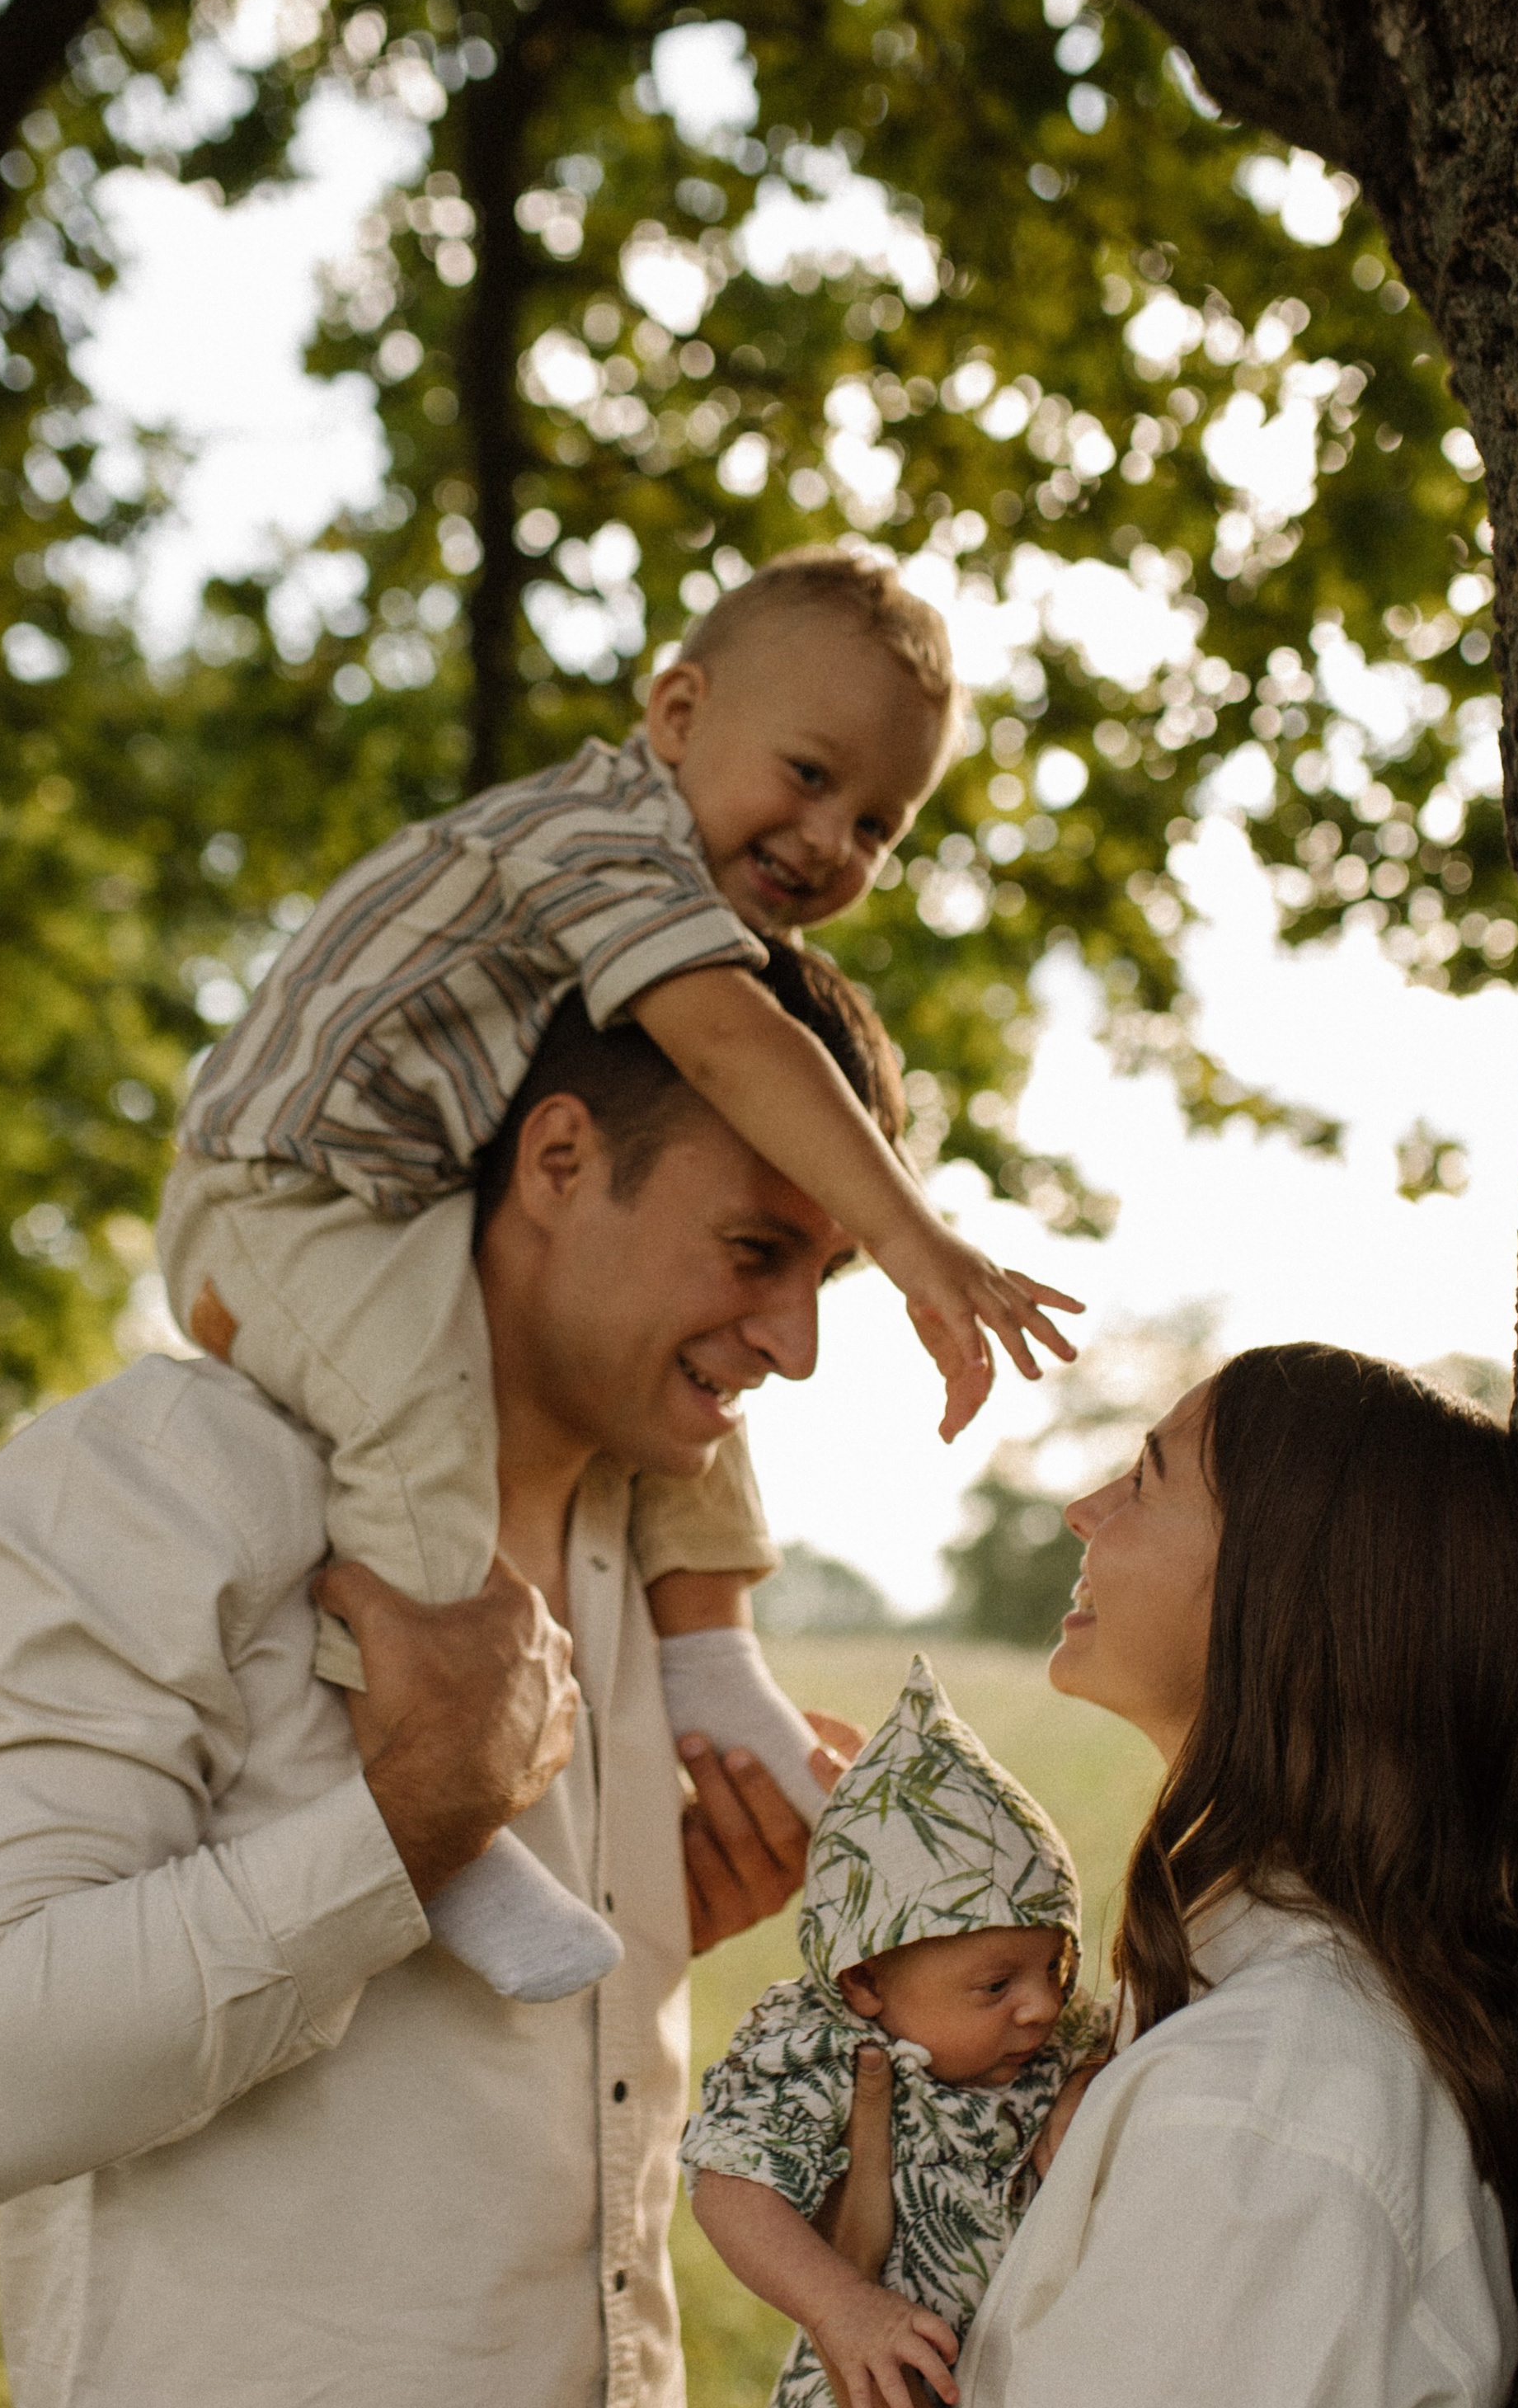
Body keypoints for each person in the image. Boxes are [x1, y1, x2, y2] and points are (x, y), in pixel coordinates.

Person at [0, 955, 899, 2408]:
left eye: (827, 1279)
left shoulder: (647, 1569)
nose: (792, 1344)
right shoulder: (149, 1491)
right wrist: (403, 1818)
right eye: (755, 1249)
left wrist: (679, 1931)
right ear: (556, 1157)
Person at [158, 548, 1080, 2001]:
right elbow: (727, 1042)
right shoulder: (598, 839)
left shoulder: (669, 884)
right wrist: (915, 1238)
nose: (829, 838)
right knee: (419, 1409)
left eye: (879, 825)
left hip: (401, 1191)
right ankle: (440, 1809)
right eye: (808, 772)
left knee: (682, 1344)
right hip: (281, 1198)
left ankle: (709, 1654)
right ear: (675, 713)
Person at [798, 1345, 1518, 2408]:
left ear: (1292, 1594)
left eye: (1147, 1476)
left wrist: (858, 2329)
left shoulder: (1274, 2117)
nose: (1085, 1504)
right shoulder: (1220, 2026)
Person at [680, 1656, 1107, 2408]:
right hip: (861, 2400)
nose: (1035, 2007)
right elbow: (731, 2187)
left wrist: (1084, 2088)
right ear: (868, 1981)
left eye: (1051, 1968)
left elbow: (1108, 2051)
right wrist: (846, 2310)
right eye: (995, 1983)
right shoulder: (819, 2045)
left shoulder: (1047, 2045)